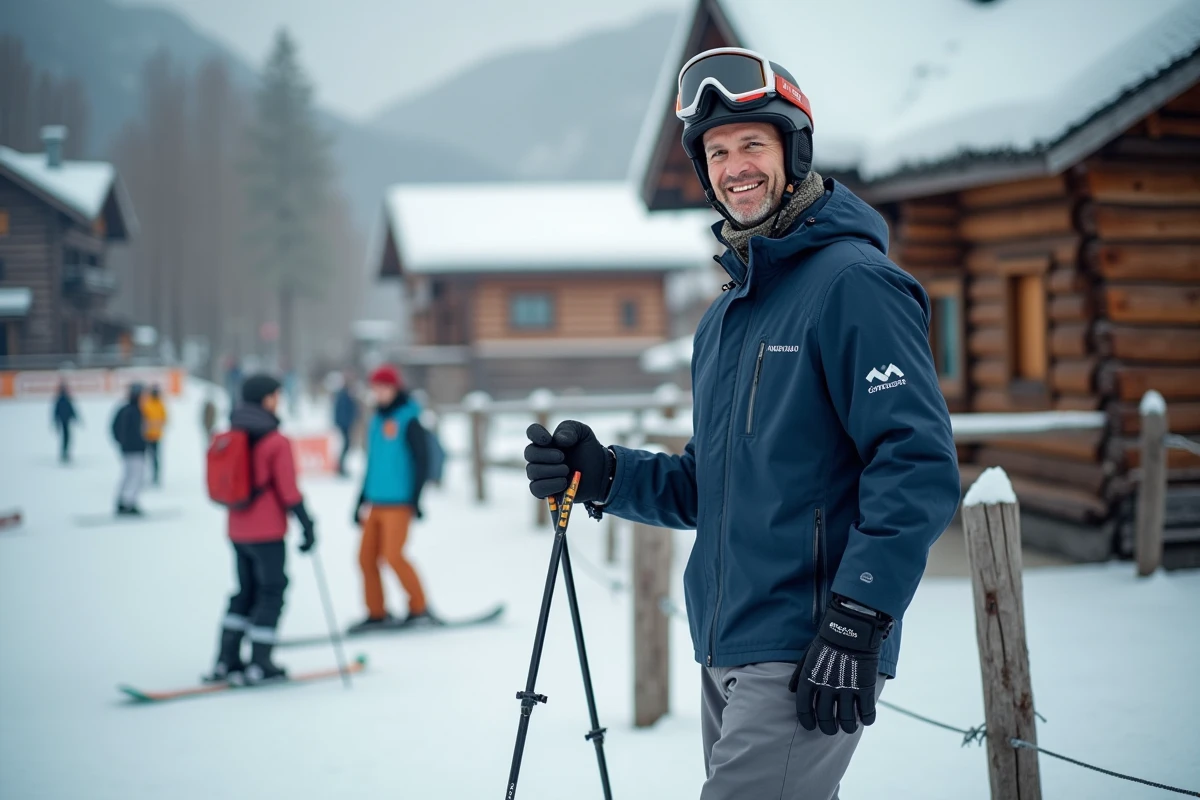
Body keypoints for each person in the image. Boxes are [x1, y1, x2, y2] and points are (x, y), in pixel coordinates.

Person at [522, 48, 960, 799]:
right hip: (727, 642)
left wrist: (859, 613)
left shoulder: (854, 285)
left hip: (812, 641)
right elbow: (711, 484)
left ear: (794, 152)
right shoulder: (728, 316)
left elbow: (915, 462)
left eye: (752, 144)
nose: (735, 168)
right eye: (717, 153)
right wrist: (605, 475)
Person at [206, 374, 316, 684]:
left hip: (237, 529)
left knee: (245, 591)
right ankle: (260, 661)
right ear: (266, 399)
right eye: (276, 395)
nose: (278, 401)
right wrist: (307, 523)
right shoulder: (276, 441)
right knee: (272, 591)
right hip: (267, 531)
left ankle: (226, 660)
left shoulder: (231, 435)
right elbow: (288, 490)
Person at [349, 364, 434, 631]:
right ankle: (376, 612)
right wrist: (360, 500)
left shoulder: (409, 420)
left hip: (399, 503)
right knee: (365, 558)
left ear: (395, 388)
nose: (379, 392)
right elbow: (372, 464)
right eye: (375, 387)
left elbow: (423, 461)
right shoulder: (376, 420)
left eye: (384, 387)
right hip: (375, 502)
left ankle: (419, 607)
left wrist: (416, 499)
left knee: (393, 556)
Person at [110, 384, 148, 515]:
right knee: (135, 476)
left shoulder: (132, 410)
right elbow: (117, 429)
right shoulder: (131, 411)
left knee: (130, 475)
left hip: (133, 449)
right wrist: (125, 443)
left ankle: (124, 501)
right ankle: (128, 502)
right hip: (134, 450)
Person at [333, 372, 359, 477]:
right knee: (346, 445)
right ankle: (340, 467)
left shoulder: (348, 393)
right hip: (344, 424)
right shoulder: (343, 394)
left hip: (347, 423)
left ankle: (341, 466)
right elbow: (340, 410)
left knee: (347, 446)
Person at [141, 385, 168, 485]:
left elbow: (164, 418)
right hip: (146, 435)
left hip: (156, 436)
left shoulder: (160, 404)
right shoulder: (147, 403)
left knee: (155, 458)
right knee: (145, 457)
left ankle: (155, 476)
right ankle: (143, 476)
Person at [52, 381, 79, 464]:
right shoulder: (62, 399)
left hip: (65, 421)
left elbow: (70, 410)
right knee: (66, 438)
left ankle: (65, 453)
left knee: (66, 438)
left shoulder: (62, 399)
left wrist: (75, 417)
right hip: (64, 421)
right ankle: (64, 453)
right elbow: (58, 411)